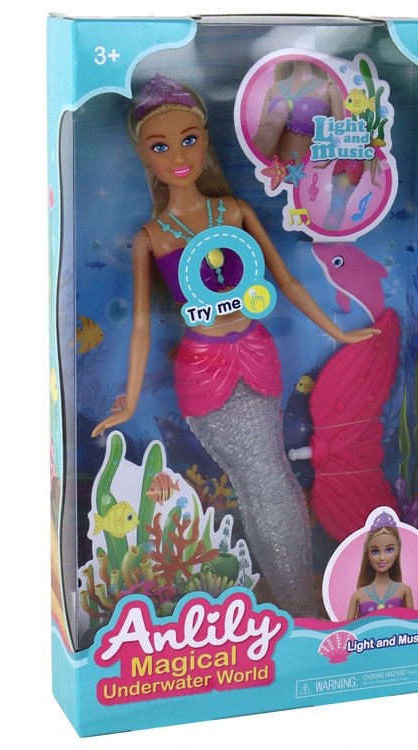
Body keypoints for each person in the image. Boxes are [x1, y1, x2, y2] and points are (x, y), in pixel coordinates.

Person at [91, 74, 379, 617]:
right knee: (261, 480)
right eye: (160, 147)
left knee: (267, 480)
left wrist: (339, 331)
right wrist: (128, 403)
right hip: (204, 370)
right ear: (143, 155)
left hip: (256, 352)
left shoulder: (234, 211)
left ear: (205, 140)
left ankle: (294, 600)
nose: (179, 156)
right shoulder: (152, 238)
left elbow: (286, 282)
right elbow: (141, 328)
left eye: (189, 139)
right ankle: (298, 603)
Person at [346, 512, 414, 619]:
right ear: (368, 554)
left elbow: (413, 623)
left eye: (389, 550)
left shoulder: (404, 590)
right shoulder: (358, 596)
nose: (382, 557)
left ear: (397, 550)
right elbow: (348, 628)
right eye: (375, 551)